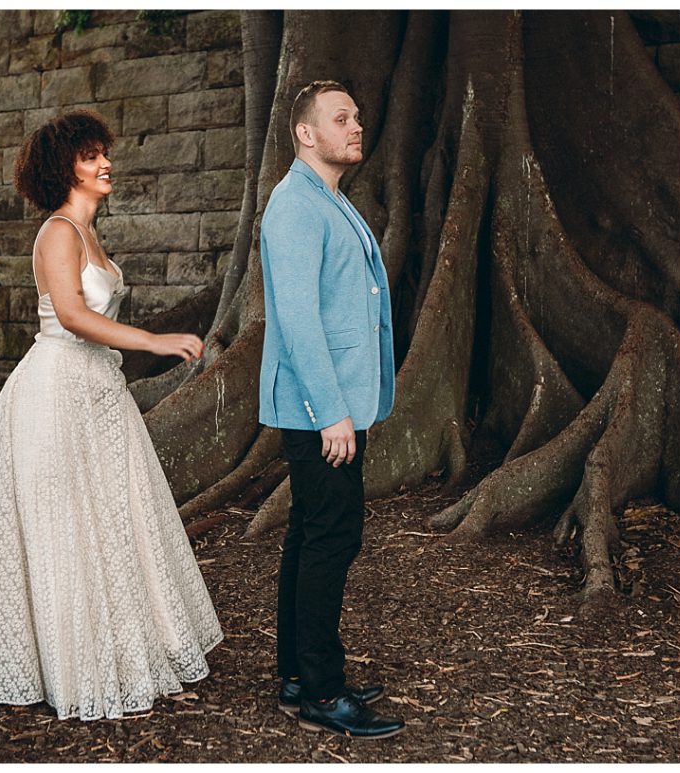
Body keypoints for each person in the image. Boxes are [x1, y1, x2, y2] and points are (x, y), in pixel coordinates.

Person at [0, 109, 222, 721]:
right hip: (54, 389)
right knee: (63, 523)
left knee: (108, 517)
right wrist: (156, 341)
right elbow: (74, 317)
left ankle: (126, 655)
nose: (105, 163)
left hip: (96, 389)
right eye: (90, 156)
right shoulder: (56, 232)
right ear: (66, 169)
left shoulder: (90, 234)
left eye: (104, 153)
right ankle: (71, 669)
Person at [258, 80, 404, 739]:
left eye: (357, 114)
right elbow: (298, 321)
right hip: (321, 407)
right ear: (305, 134)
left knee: (310, 532)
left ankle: (296, 674)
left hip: (334, 403)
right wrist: (330, 413)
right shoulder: (294, 205)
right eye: (340, 117)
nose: (355, 125)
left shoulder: (326, 199)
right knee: (331, 538)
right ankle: (321, 690)